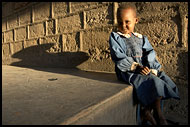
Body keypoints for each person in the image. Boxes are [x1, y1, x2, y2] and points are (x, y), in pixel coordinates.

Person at [109, 3, 180, 125]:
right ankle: (159, 115)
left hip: (144, 69)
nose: (123, 26)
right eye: (120, 22)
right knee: (152, 81)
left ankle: (147, 112)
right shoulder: (116, 37)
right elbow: (118, 56)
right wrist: (136, 67)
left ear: (136, 20)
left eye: (127, 22)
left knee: (162, 78)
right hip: (128, 71)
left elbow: (150, 54)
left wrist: (152, 68)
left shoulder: (141, 38)